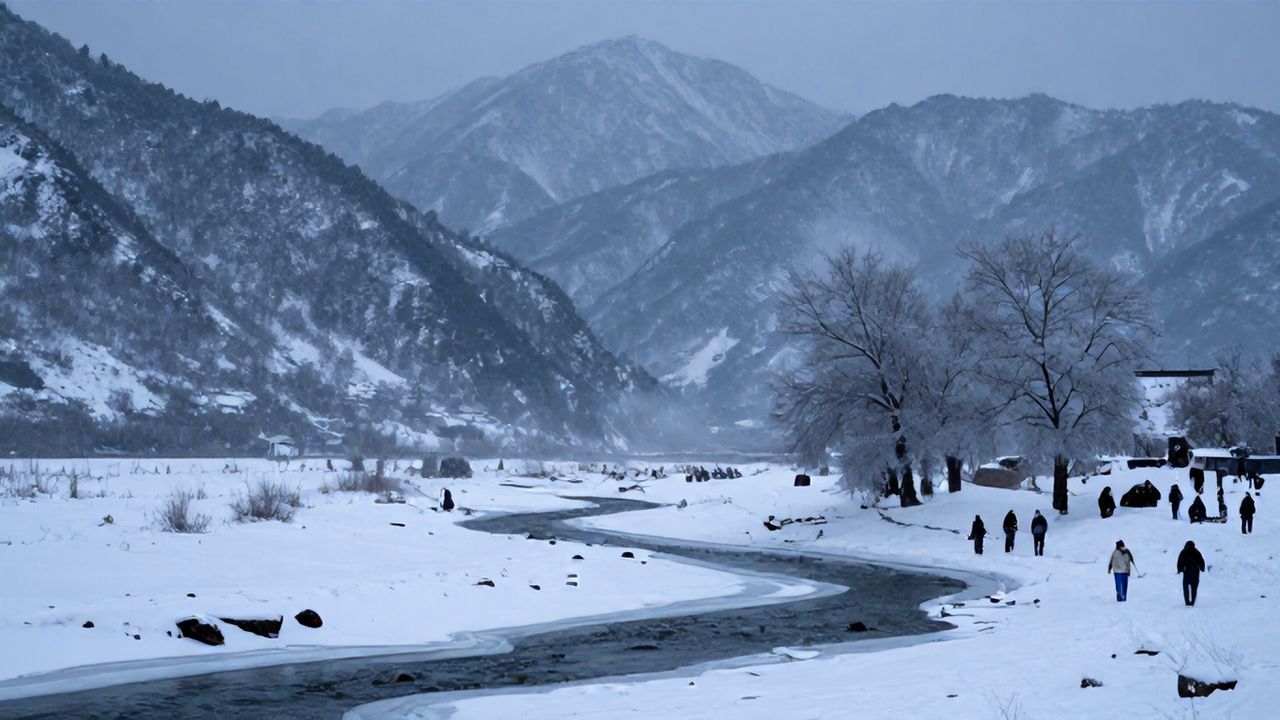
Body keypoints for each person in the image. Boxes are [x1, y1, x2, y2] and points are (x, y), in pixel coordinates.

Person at [1176, 540, 1206, 606]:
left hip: (1187, 573)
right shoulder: (1197, 552)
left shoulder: (1184, 552)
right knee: (1194, 589)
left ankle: (1187, 603)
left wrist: (1180, 569)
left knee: (1185, 588)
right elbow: (1201, 561)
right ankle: (1192, 603)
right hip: (1195, 573)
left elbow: (1179, 561)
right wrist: (1202, 568)